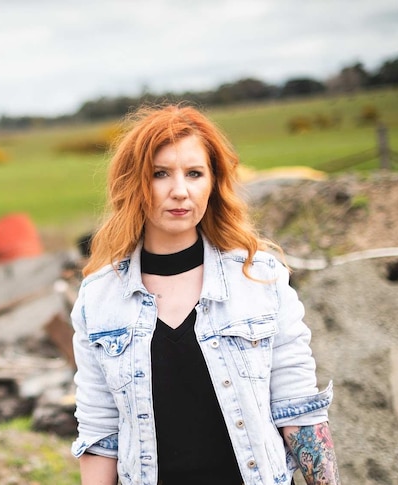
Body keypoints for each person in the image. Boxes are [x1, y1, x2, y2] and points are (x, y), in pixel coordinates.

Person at [70, 105, 340, 485]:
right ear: (134, 183)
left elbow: (298, 409)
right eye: (160, 174)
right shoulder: (99, 299)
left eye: (194, 173)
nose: (179, 191)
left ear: (213, 183)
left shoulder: (260, 280)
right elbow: (100, 436)